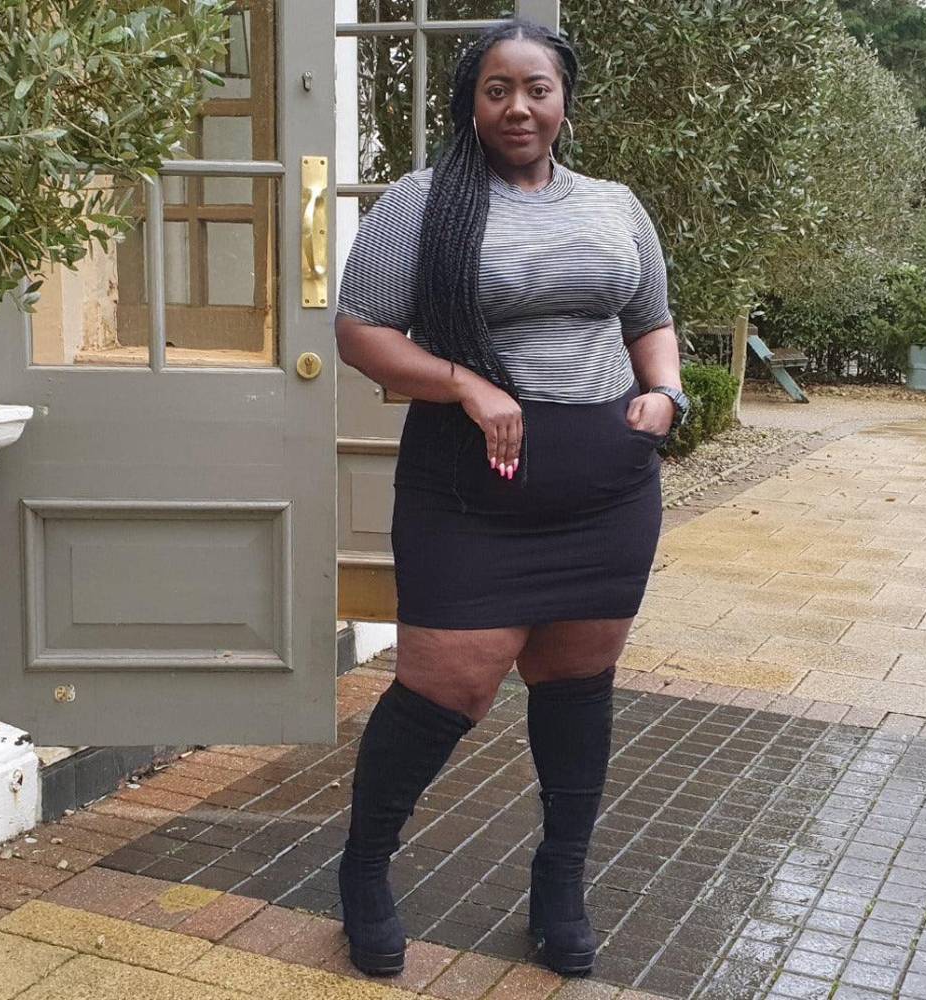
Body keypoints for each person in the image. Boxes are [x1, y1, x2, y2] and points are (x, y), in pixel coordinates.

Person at [334, 18, 688, 979]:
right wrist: (466, 383)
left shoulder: (615, 205)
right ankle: (364, 868)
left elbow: (650, 319)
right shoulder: (422, 203)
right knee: (445, 687)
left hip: (606, 490)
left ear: (564, 99)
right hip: (469, 488)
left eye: (537, 88)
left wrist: (664, 394)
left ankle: (559, 881)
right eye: (498, 90)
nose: (518, 107)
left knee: (577, 684)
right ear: (473, 103)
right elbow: (361, 331)